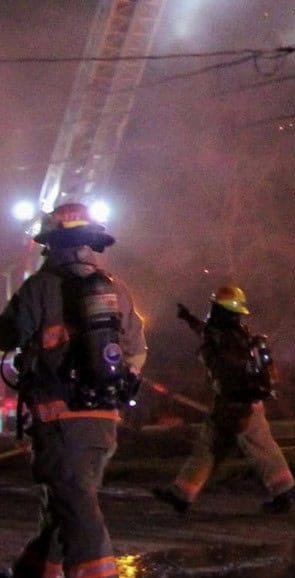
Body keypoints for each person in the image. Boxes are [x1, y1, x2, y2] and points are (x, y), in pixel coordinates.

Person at [0, 202, 147, 578]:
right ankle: (35, 570)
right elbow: (137, 353)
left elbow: (7, 335)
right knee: (65, 501)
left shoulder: (40, 287)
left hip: (57, 417)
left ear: (52, 243)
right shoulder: (118, 290)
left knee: (77, 507)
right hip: (103, 422)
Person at [152, 285, 295, 514]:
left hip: (235, 404)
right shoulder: (234, 333)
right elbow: (205, 332)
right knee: (237, 447)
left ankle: (284, 492)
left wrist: (238, 402)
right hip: (242, 402)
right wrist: (188, 318)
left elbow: (225, 362)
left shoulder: (225, 337)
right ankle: (182, 494)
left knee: (222, 447)